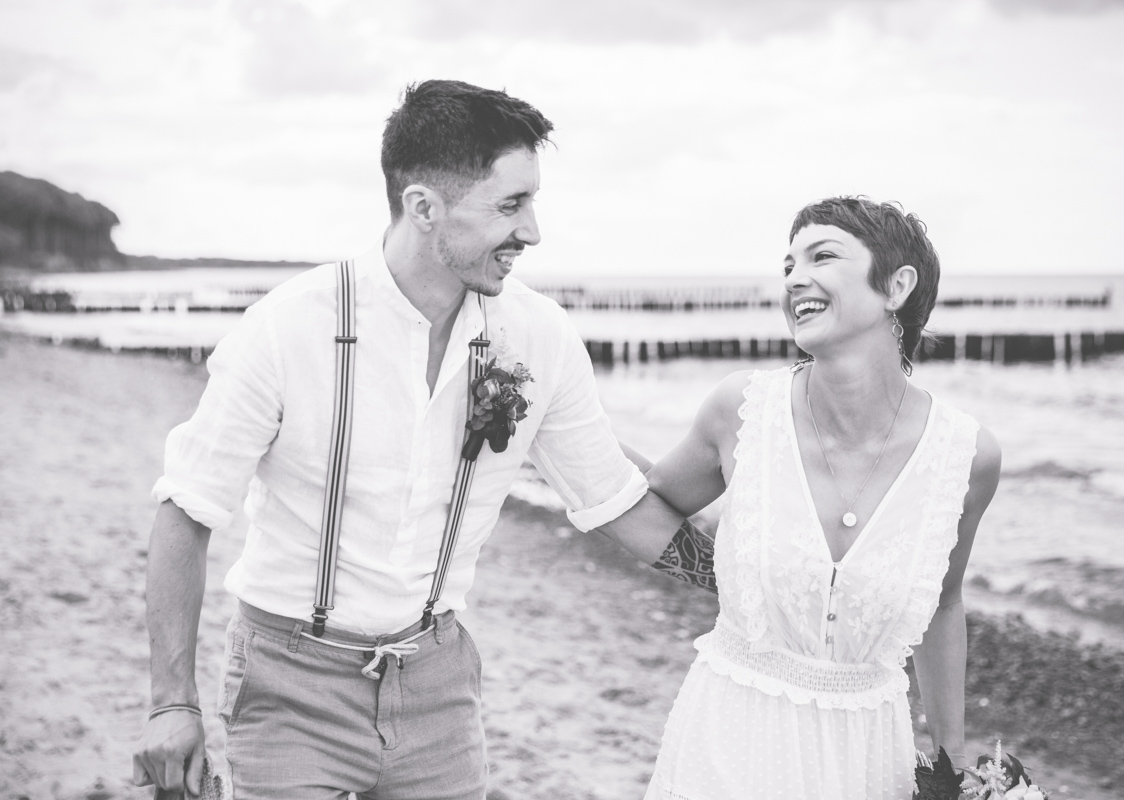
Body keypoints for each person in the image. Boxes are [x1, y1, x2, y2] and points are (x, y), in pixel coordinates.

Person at [131, 79, 711, 800]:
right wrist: (171, 703)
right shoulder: (287, 328)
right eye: (510, 205)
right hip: (288, 682)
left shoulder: (537, 338)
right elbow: (187, 512)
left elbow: (614, 500)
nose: (532, 232)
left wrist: (751, 581)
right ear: (423, 207)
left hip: (437, 681)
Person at [634, 197, 1002, 800]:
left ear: (896, 286)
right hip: (731, 736)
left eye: (822, 256)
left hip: (868, 758)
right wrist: (559, 428)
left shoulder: (967, 457)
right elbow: (652, 499)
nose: (794, 279)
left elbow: (943, 602)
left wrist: (952, 768)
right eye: (787, 266)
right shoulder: (742, 411)